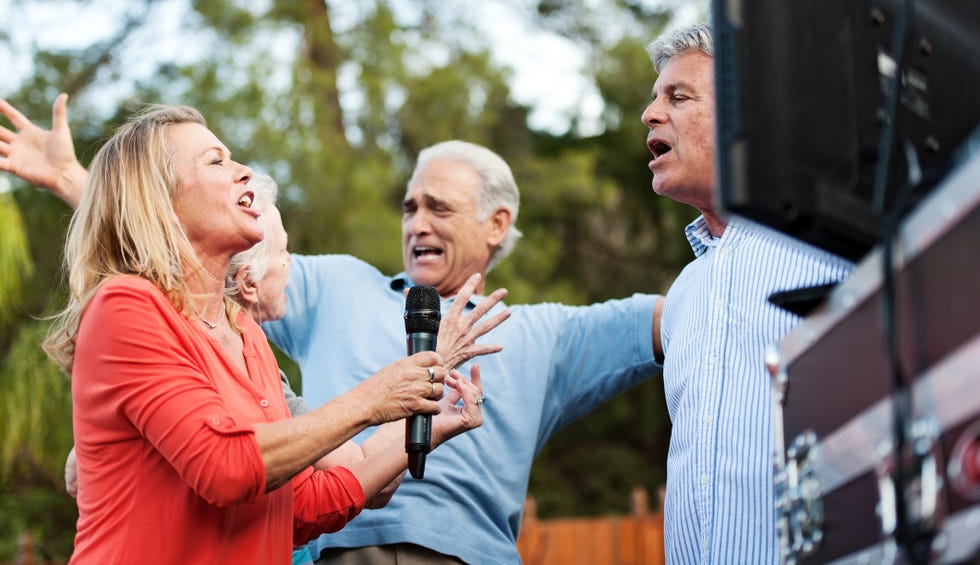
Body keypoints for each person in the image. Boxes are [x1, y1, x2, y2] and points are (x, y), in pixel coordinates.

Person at [1, 96, 664, 565]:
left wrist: (417, 432)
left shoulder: (543, 332)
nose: (417, 221)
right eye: (409, 205)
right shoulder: (337, 285)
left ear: (497, 223)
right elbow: (179, 247)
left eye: (439, 206)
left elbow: (671, 316)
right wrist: (75, 181)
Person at [37, 104, 495, 564]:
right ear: (158, 202)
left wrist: (426, 430)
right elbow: (226, 468)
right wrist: (374, 399)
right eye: (216, 161)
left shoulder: (246, 334)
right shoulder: (126, 306)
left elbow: (302, 509)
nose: (244, 172)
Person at [640, 22, 854, 564]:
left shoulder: (835, 249)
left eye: (677, 96)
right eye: (653, 98)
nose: (650, 114)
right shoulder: (684, 293)